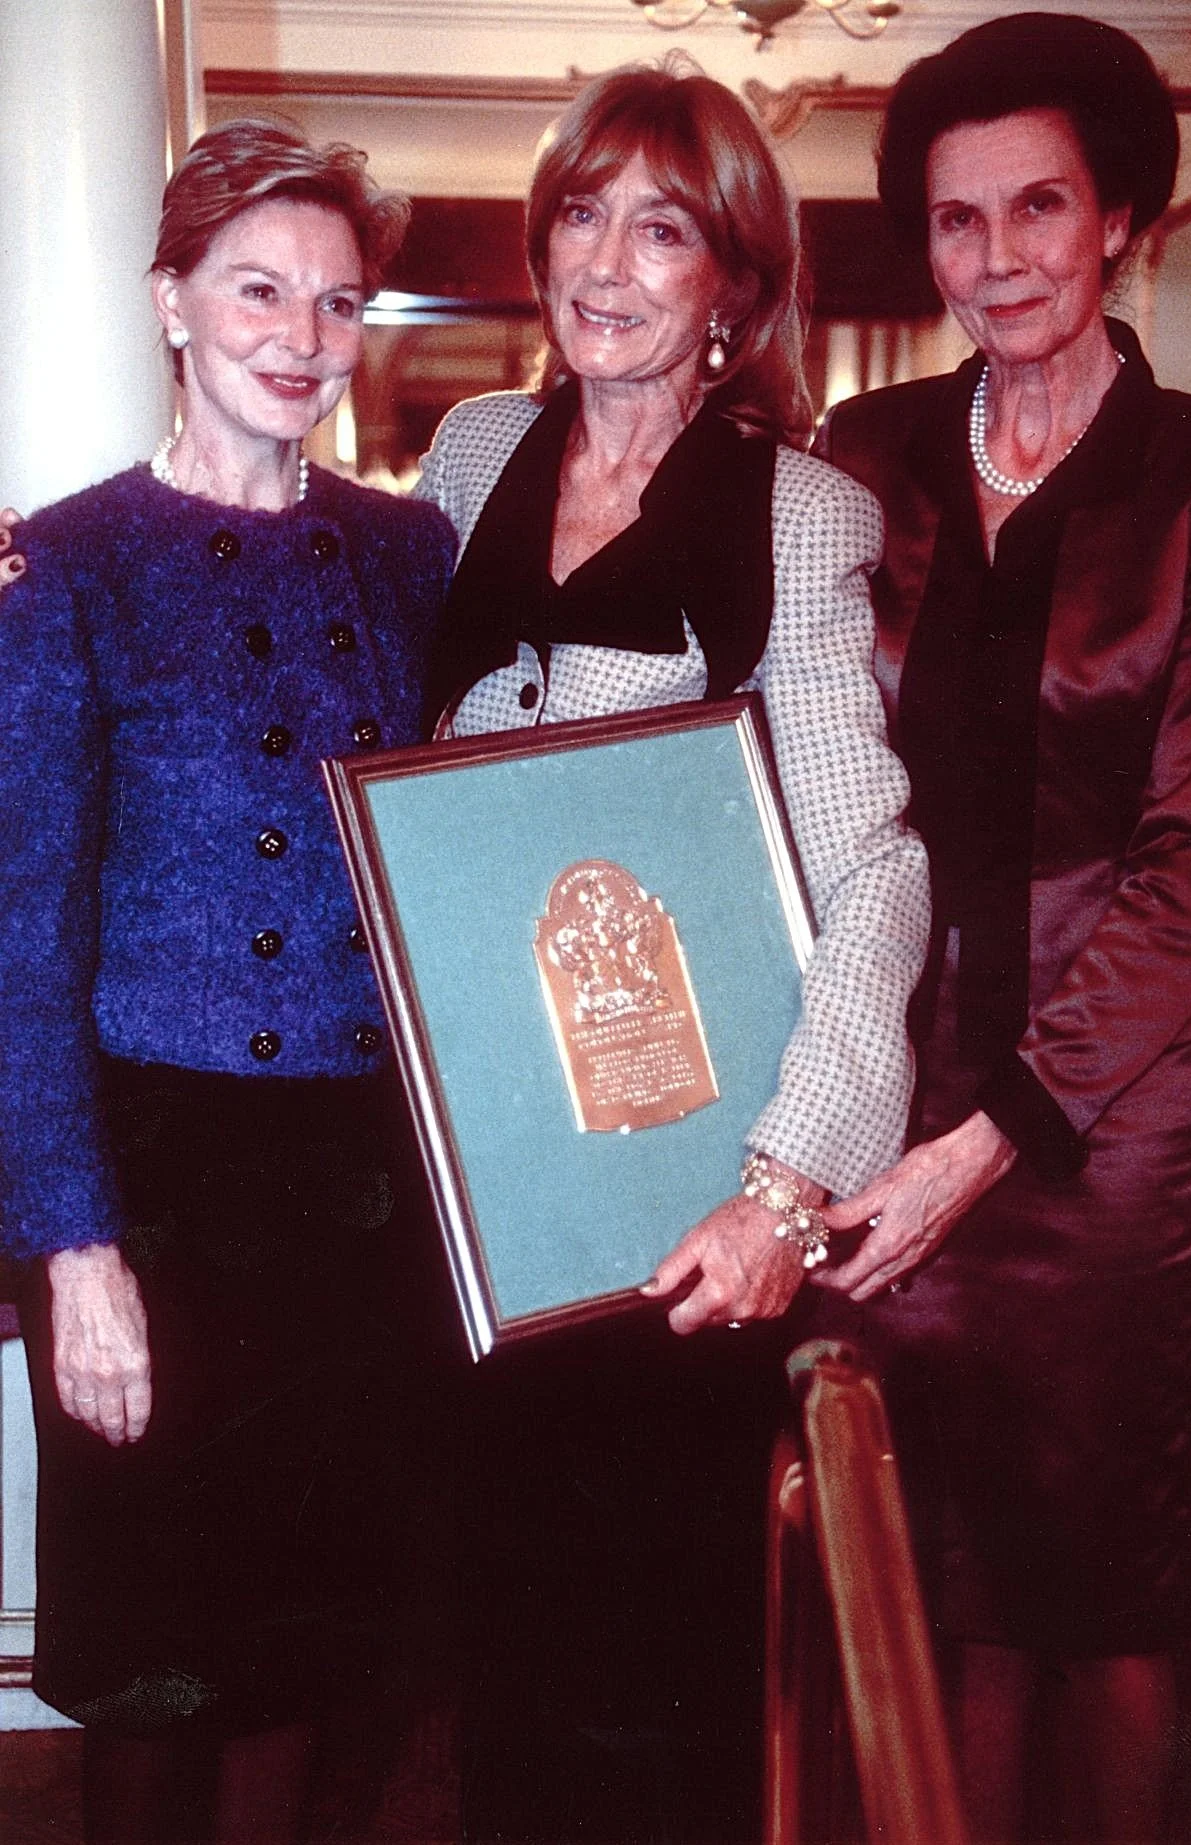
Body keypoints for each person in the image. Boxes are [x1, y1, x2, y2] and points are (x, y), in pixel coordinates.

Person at [414, 60, 929, 1839]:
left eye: (665, 228)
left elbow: (875, 875)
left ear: (739, 288)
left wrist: (790, 1189)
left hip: (687, 1201)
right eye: (580, 212)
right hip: (490, 1191)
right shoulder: (473, 453)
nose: (608, 263)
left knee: (669, 1686)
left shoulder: (798, 511)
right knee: (501, 1669)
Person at [811, 14, 1191, 1841]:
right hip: (887, 1079)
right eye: (954, 220)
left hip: (1108, 1122)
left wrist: (988, 1144)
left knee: (1097, 1587)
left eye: (1039, 209)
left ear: (1123, 218)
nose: (996, 259)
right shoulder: (867, 451)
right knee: (934, 1576)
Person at [0, 120, 460, 1843]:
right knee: (157, 1674)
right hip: (162, 1189)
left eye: (338, 305)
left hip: (363, 1194)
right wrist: (74, 1253)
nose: (300, 336)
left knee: (319, 1662)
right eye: (257, 288)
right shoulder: (68, 564)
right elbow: (18, 931)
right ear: (171, 300)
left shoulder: (412, 559)